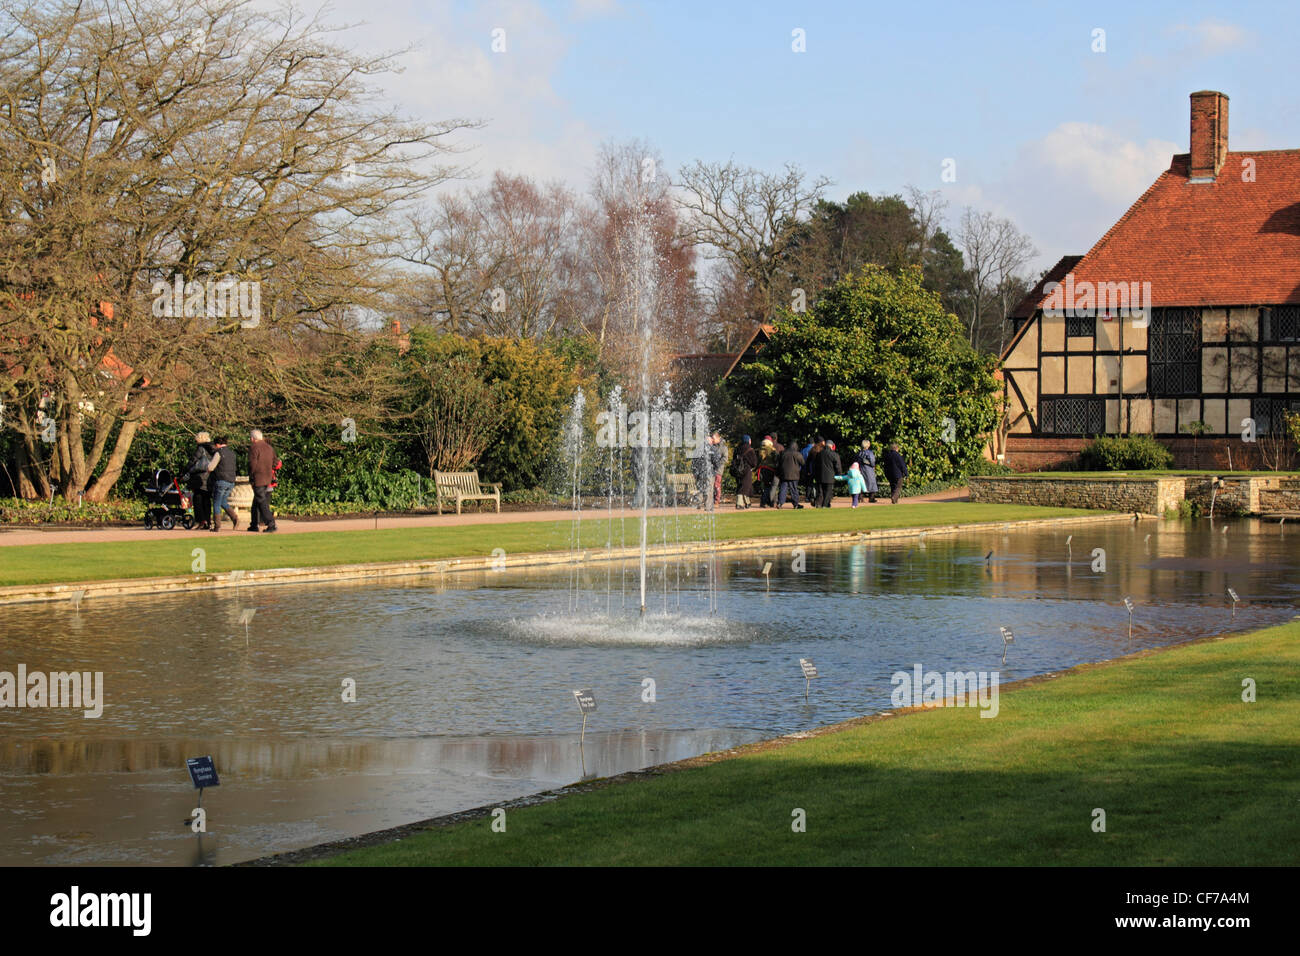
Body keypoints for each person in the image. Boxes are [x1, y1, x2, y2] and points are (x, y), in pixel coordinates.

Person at [181, 431, 214, 530]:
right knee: (207, 500)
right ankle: (208, 521)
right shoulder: (213, 448)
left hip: (199, 477)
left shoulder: (201, 448)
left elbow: (193, 460)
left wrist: (184, 471)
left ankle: (201, 521)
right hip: (209, 476)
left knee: (198, 499)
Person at [248, 428, 279, 533]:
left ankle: (271, 523)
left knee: (261, 501)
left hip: (258, 477)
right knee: (256, 501)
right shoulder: (269, 447)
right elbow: (276, 462)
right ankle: (253, 524)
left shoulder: (254, 448)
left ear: (253, 438)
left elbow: (252, 464)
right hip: (268, 477)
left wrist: (251, 476)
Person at [205, 436, 239, 531]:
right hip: (231, 481)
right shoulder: (232, 453)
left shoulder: (219, 453)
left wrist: (208, 469)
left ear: (217, 445)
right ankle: (235, 518)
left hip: (221, 480)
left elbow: (211, 467)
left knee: (216, 503)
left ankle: (217, 526)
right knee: (223, 501)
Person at [813, 435, 842, 508]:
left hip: (819, 476)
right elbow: (837, 466)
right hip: (829, 476)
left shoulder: (819, 454)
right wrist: (839, 474)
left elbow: (815, 465)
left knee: (821, 491)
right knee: (828, 492)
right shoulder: (834, 454)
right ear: (831, 446)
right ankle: (825, 505)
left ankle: (821, 504)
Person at [777, 439, 805, 509]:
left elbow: (779, 463)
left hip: (784, 474)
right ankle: (795, 504)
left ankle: (780, 503)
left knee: (783, 489)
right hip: (794, 475)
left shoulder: (783, 453)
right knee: (794, 489)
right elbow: (803, 463)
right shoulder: (797, 454)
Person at [732, 435, 758, 508]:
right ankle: (739, 503)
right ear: (748, 441)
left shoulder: (737, 449)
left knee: (741, 485)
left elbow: (734, 460)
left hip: (737, 470)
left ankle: (747, 502)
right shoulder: (750, 449)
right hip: (746, 470)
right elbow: (754, 463)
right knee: (745, 486)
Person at [709, 432, 728, 508]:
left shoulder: (723, 447)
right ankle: (710, 501)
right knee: (710, 485)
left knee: (717, 485)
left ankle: (716, 501)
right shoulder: (711, 446)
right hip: (711, 469)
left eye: (713, 439)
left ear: (718, 438)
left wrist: (717, 464)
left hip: (718, 470)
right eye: (712, 439)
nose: (712, 440)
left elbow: (725, 459)